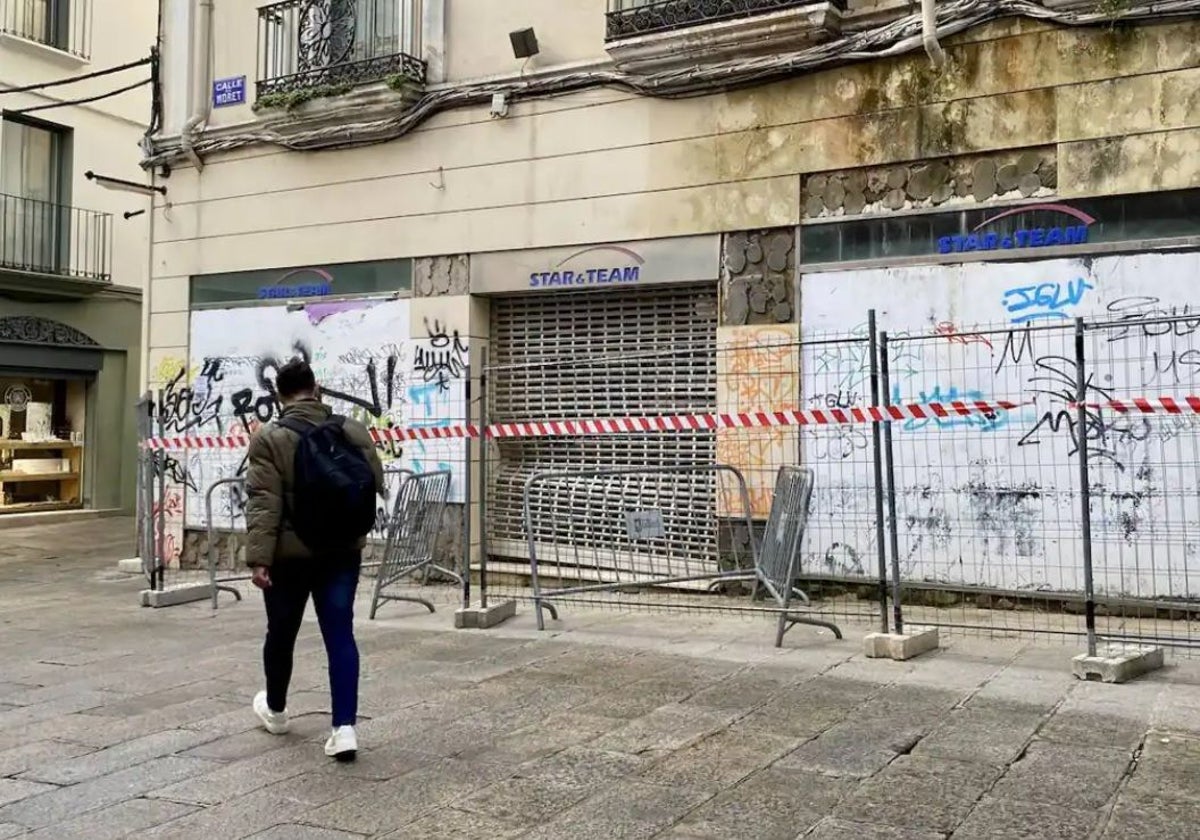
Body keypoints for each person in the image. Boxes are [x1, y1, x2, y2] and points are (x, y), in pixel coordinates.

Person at [244, 358, 385, 762]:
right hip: (341, 551)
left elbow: (263, 504)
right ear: (317, 388)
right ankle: (344, 728)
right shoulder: (352, 429)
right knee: (340, 635)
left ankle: (275, 709)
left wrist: (259, 559)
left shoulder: (269, 437)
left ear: (279, 394)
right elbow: (374, 481)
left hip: (289, 556)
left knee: (281, 632)